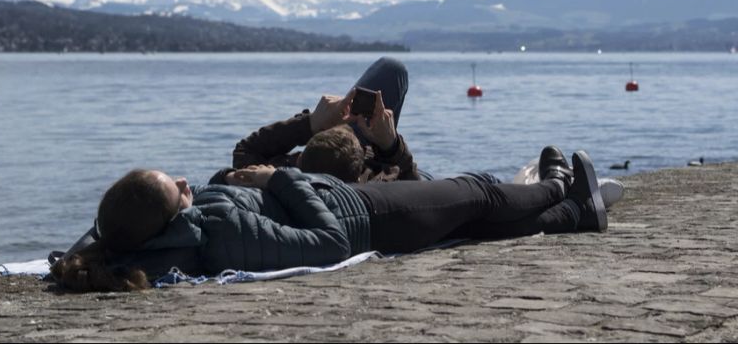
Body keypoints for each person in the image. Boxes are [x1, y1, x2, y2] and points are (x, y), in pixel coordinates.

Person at [50, 146, 607, 292]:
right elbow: (329, 242)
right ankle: (560, 186)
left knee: (470, 228)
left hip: (347, 200)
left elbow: (110, 228)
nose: (186, 182)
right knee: (476, 195)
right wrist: (279, 180)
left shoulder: (137, 240)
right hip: (364, 216)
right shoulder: (215, 233)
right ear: (173, 213)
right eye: (178, 188)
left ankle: (571, 216)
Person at [231, 56, 498, 184]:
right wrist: (390, 144)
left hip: (332, 161)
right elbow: (412, 185)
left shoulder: (278, 170)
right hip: (375, 157)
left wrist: (312, 123)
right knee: (393, 70)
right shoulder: (375, 179)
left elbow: (244, 152)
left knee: (391, 71)